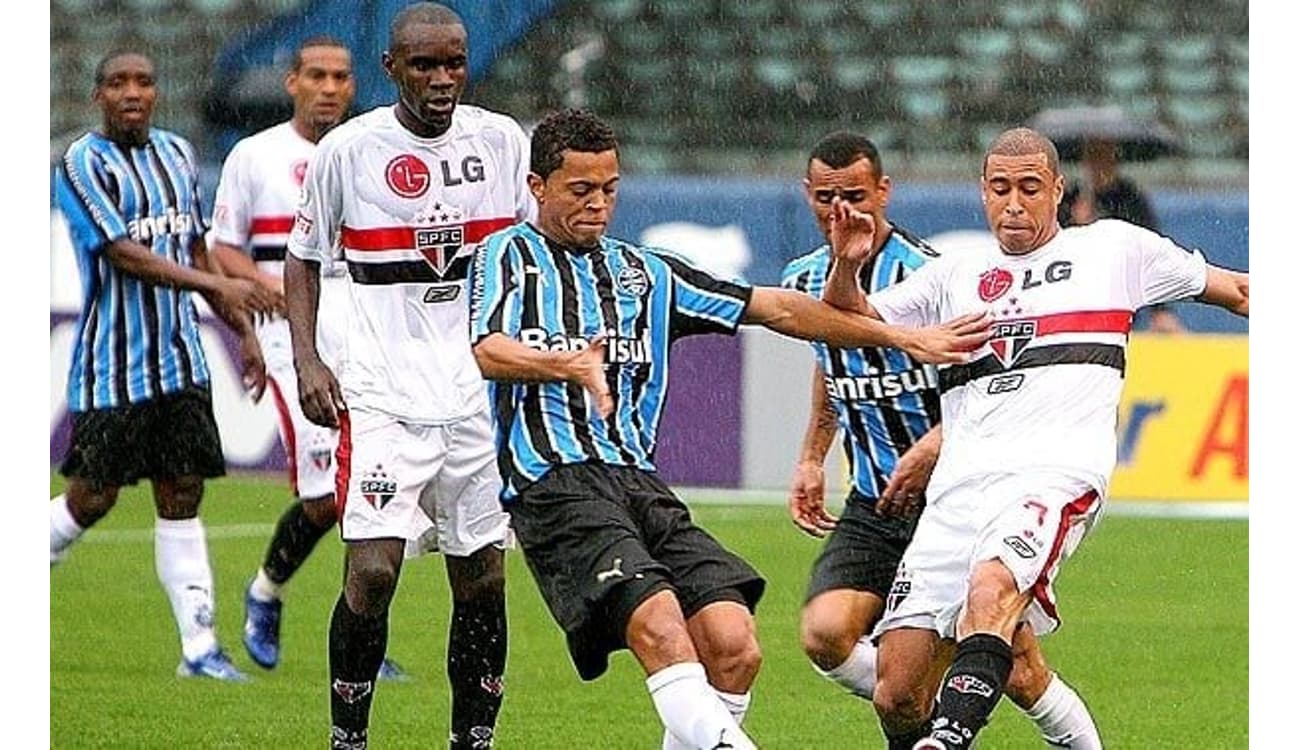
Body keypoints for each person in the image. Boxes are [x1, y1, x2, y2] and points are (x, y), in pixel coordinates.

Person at [468, 108, 990, 750]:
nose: (598, 204)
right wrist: (565, 364)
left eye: (609, 188)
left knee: (733, 643)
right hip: (556, 483)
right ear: (538, 186)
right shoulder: (506, 255)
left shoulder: (647, 272)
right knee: (661, 625)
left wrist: (898, 333)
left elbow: (777, 308)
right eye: (581, 190)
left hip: (639, 484)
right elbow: (488, 349)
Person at [819, 127, 1248, 750]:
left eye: (1028, 189)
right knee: (898, 689)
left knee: (991, 592)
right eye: (999, 189)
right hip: (958, 492)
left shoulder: (1114, 250)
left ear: (1055, 190)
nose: (1013, 204)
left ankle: (949, 739)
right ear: (983, 194)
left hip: (1055, 475)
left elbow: (1236, 290)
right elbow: (844, 324)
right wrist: (847, 265)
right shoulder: (954, 274)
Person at [782, 131, 1103, 749]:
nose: (840, 209)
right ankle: (935, 700)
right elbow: (833, 361)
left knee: (1023, 672)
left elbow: (988, 383)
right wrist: (811, 456)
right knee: (827, 635)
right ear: (807, 196)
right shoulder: (805, 276)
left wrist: (933, 444)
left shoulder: (933, 273)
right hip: (875, 499)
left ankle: (954, 701)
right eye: (826, 197)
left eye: (854, 194)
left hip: (951, 495)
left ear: (883, 191)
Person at [284, 5, 534, 748]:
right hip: (381, 390)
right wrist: (307, 358)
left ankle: (473, 739)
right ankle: (349, 737)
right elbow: (301, 258)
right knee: (374, 573)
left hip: (479, 394)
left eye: (454, 62)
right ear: (392, 68)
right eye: (424, 65)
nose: (442, 78)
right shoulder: (350, 150)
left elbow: (530, 245)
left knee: (483, 575)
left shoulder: (500, 142)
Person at [51, 50, 278, 681]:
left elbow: (197, 250)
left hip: (181, 364)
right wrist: (229, 290)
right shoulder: (80, 164)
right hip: (112, 367)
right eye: (118, 82)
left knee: (182, 494)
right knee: (91, 499)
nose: (132, 93)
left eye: (143, 82)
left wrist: (243, 333)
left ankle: (199, 650)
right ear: (98, 95)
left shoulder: (177, 155)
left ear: (155, 92)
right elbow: (124, 253)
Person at [208, 35, 405, 681]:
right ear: (292, 82)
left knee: (371, 489)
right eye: (315, 75)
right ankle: (267, 593)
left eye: (340, 77)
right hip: (294, 339)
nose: (329, 87)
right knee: (330, 496)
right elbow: (225, 251)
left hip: (370, 336)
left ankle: (357, 639)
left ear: (354, 86)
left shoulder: (375, 152)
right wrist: (269, 301)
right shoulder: (256, 156)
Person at [1058, 137, 1185, 333]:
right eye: (1092, 155)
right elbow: (1054, 246)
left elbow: (1150, 251)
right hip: (1074, 293)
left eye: (1103, 155)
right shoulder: (1071, 197)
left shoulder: (1130, 198)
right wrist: (1074, 224)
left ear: (1114, 158)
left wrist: (1160, 310)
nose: (1097, 163)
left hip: (1118, 291)